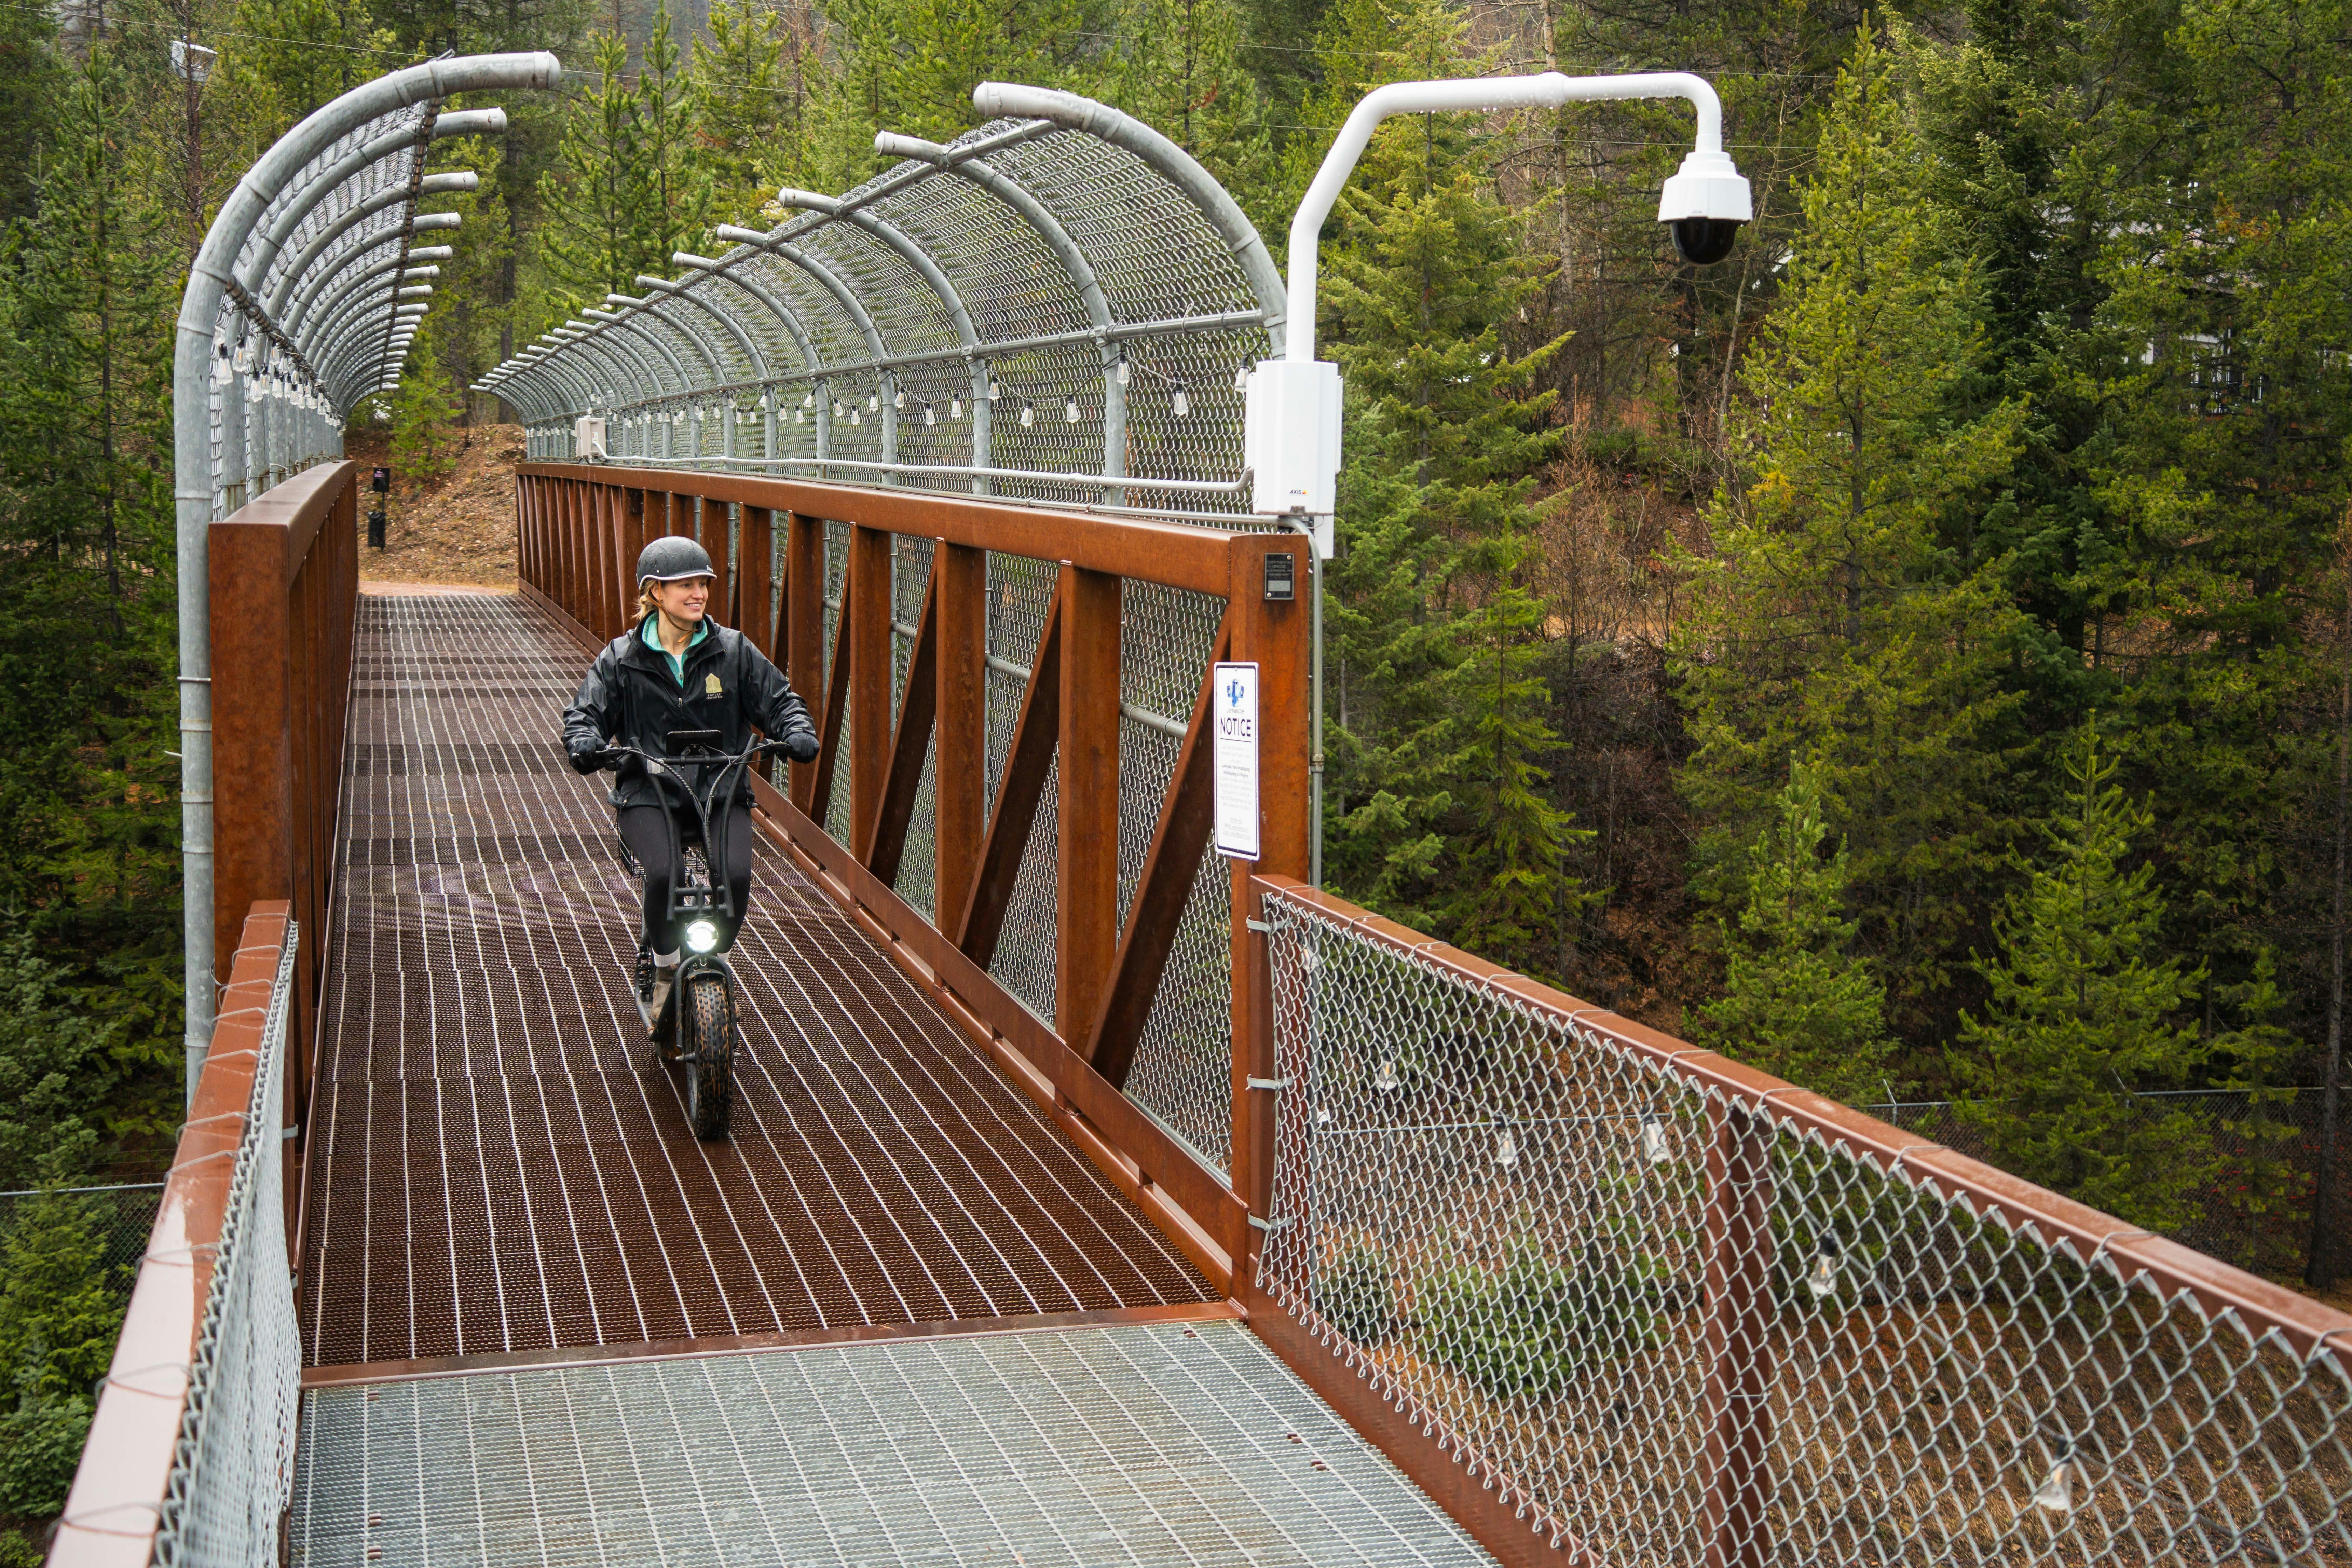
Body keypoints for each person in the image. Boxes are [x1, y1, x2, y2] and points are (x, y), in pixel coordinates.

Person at [561, 537, 819, 1028]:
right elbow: (586, 713)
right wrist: (585, 741)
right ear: (655, 592)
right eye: (686, 584)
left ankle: (710, 961)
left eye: (703, 583)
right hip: (649, 792)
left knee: (736, 878)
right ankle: (663, 969)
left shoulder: (734, 651)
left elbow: (780, 699)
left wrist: (797, 731)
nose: (699, 593)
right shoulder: (623, 658)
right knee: (663, 875)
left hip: (720, 788)